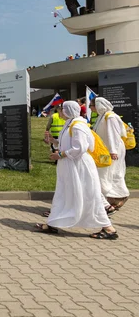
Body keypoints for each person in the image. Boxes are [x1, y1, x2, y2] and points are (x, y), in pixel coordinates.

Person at [38, 101, 118, 239]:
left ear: (68, 110)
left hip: (79, 166)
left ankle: (109, 229)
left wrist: (60, 155)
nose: (60, 111)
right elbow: (69, 143)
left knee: (89, 195)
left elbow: (80, 148)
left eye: (62, 109)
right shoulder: (70, 123)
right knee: (64, 194)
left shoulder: (78, 126)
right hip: (71, 166)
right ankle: (53, 223)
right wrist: (54, 141)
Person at [93, 97, 129, 213]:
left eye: (92, 105)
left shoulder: (111, 117)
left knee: (113, 172)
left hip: (113, 150)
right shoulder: (102, 117)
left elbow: (113, 135)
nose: (91, 108)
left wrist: (113, 151)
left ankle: (120, 196)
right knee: (105, 173)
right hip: (105, 150)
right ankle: (110, 199)